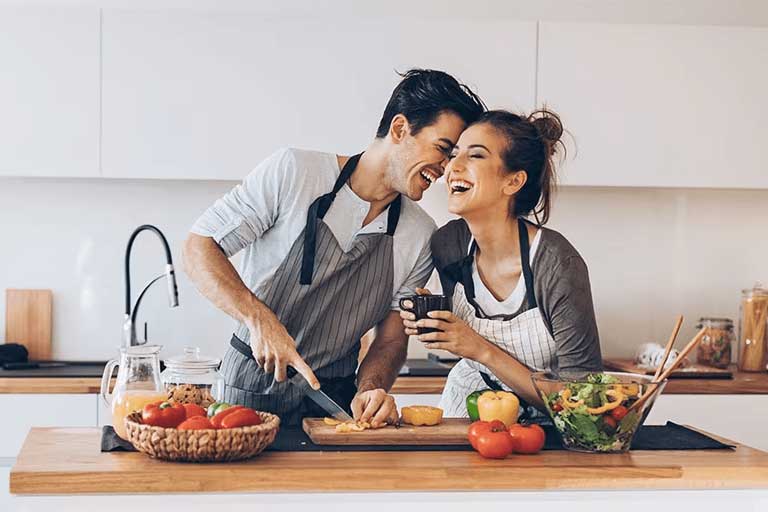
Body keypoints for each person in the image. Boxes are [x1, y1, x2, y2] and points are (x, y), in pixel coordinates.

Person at [183, 69, 485, 426]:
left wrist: (371, 389)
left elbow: (390, 340)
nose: (448, 168)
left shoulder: (419, 234)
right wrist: (258, 318)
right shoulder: (295, 173)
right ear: (400, 129)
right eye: (443, 149)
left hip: (334, 403)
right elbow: (199, 246)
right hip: (249, 392)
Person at [400, 109, 602, 418]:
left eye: (476, 156)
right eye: (454, 155)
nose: (453, 166)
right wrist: (434, 318)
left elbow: (584, 402)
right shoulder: (448, 244)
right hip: (466, 408)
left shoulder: (556, 264)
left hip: (547, 426)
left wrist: (477, 347)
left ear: (513, 181)